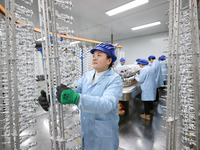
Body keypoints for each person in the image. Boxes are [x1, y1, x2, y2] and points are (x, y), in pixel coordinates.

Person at [38, 43, 123, 150]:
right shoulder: (88, 76)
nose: (94, 58)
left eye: (99, 55)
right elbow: (73, 89)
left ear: (109, 60)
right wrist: (51, 98)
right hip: (87, 129)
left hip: (104, 133)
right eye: (93, 55)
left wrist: (77, 98)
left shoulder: (115, 79)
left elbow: (107, 104)